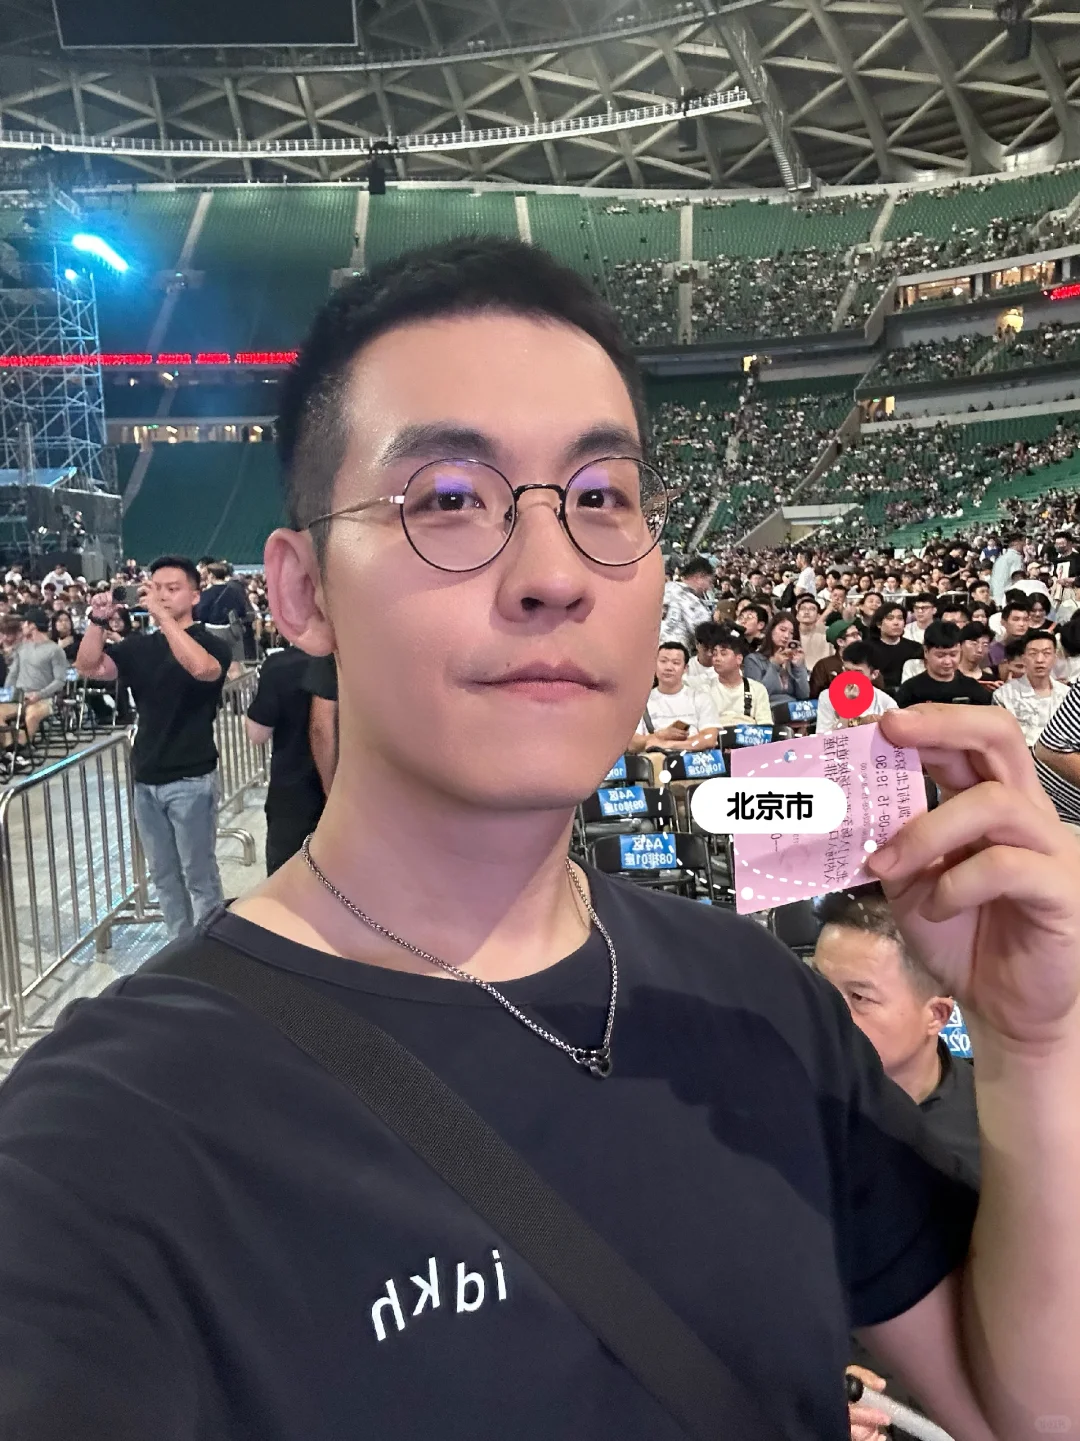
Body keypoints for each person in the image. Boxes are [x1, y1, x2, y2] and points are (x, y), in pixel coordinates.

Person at [2, 237, 1079, 1441]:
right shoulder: (105, 1146)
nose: (554, 574)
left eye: (602, 496)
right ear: (301, 593)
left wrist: (1035, 1039)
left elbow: (1022, 1404)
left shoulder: (765, 1001)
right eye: (449, 499)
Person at [75, 555, 233, 941]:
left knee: (199, 876)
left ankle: (212, 951)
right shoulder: (139, 647)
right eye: (155, 588)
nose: (161, 595)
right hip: (146, 778)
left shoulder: (212, 643)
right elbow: (89, 666)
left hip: (191, 777)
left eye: (172, 589)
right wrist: (97, 621)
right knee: (164, 876)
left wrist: (164, 621)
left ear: (194, 596)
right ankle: (180, 950)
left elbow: (203, 670)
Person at [812, 886, 977, 1183]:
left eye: (859, 997)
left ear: (936, 1015)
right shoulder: (787, 1103)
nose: (825, 1013)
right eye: (819, 986)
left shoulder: (994, 1133)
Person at [245, 644, 329, 874]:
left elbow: (257, 734)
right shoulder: (355, 662)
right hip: (348, 792)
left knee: (287, 878)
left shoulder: (279, 666)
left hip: (292, 792)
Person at [0, 606, 69, 751]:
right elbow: (13, 674)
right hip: (20, 697)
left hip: (45, 699)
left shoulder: (55, 650)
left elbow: (60, 681)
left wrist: (39, 694)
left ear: (32, 626)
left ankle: (18, 747)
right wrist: (6, 694)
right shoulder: (22, 648)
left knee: (32, 715)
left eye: (25, 623)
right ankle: (10, 747)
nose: (22, 626)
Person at [630, 640, 719, 750]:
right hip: (654, 758)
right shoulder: (640, 702)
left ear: (685, 669)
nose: (668, 667)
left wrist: (669, 745)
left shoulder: (701, 698)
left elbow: (709, 738)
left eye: (675, 663)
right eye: (663, 661)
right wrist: (661, 735)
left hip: (692, 756)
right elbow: (632, 744)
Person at [991, 630, 1068, 746]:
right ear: (1023, 659)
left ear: (1055, 658)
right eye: (1033, 654)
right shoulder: (1004, 695)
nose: (1039, 660)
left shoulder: (1067, 695)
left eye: (1046, 653)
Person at [895, 621, 994, 708]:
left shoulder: (973, 688)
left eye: (953, 654)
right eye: (940, 655)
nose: (947, 661)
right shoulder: (910, 691)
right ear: (926, 652)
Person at [696, 625, 772, 726]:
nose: (717, 659)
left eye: (723, 654)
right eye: (714, 654)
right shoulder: (705, 690)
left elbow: (765, 725)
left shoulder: (757, 689)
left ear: (739, 659)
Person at [815, 641, 897, 733]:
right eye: (847, 670)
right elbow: (823, 737)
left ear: (874, 674)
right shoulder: (827, 696)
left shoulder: (886, 703)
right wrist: (847, 705)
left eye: (858, 673)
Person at [743, 611, 809, 703]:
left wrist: (799, 667)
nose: (786, 636)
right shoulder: (753, 660)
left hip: (792, 708)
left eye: (791, 633)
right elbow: (757, 696)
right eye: (782, 630)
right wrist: (775, 665)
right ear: (771, 630)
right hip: (768, 708)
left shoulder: (791, 661)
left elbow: (804, 695)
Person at [867, 603, 922, 696]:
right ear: (879, 624)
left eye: (900, 618)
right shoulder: (866, 648)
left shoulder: (915, 648)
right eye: (890, 618)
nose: (896, 623)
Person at [659, 555, 713, 650]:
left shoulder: (667, 588)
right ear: (699, 577)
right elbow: (704, 631)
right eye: (709, 582)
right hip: (676, 652)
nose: (708, 587)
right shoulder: (688, 597)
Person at [809, 618, 862, 698]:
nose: (859, 638)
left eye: (859, 634)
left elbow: (878, 688)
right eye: (854, 635)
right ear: (840, 642)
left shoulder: (868, 662)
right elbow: (815, 696)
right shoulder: (824, 666)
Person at [988, 598, 1030, 674]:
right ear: (1003, 622)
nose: (1022, 624)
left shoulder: (1033, 647)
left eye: (1025, 620)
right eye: (1016, 619)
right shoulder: (992, 650)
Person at [794, 593, 830, 670]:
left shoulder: (828, 633)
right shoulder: (790, 633)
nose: (806, 612)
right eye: (803, 609)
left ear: (818, 616)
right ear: (797, 616)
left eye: (812, 609)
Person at [957, 622, 997, 686]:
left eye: (985, 645)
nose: (979, 650)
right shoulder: (949, 675)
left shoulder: (991, 682)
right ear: (960, 644)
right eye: (974, 643)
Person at [990, 529, 1024, 604]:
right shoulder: (1016, 557)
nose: (1024, 545)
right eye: (1022, 542)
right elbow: (1018, 578)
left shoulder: (1000, 558)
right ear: (1016, 542)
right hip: (1009, 598)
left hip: (996, 596)